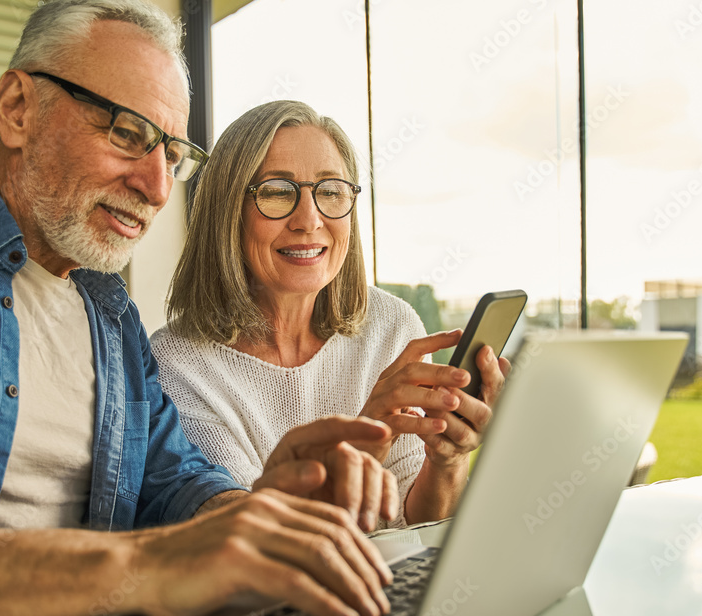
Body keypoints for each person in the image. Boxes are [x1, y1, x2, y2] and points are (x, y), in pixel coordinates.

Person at [0, 0, 400, 616]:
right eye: (127, 134)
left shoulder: (110, 318)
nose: (158, 187)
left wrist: (260, 510)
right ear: (17, 110)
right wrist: (149, 566)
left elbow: (176, 481)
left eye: (171, 153)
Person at [151, 100, 510, 530]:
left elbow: (415, 526)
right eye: (278, 191)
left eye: (331, 190)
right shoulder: (175, 365)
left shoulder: (392, 326)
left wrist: (448, 460)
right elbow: (252, 545)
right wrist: (366, 441)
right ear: (227, 211)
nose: (309, 219)